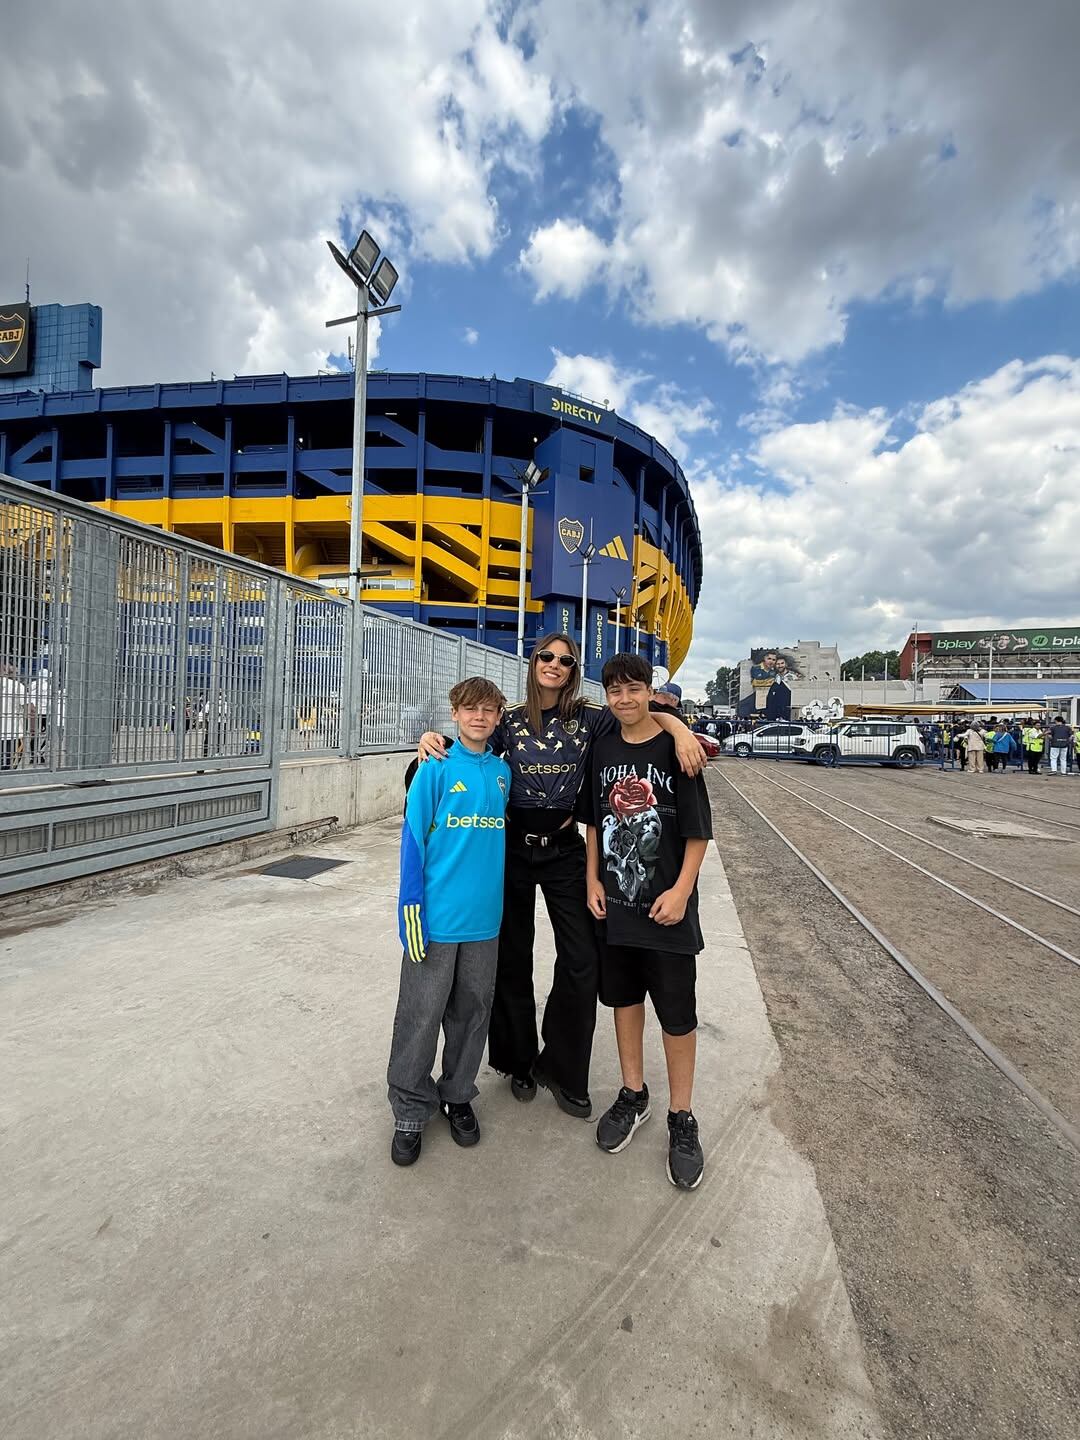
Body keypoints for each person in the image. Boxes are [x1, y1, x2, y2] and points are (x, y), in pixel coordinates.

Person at [415, 633, 704, 1119]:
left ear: (573, 670)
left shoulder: (591, 718)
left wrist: (678, 728)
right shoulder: (507, 721)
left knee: (581, 960)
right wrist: (431, 739)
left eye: (565, 660)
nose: (555, 664)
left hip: (566, 850)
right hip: (512, 849)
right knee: (512, 956)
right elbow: (472, 743)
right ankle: (519, 1062)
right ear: (534, 662)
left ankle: (564, 1068)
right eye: (546, 656)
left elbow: (640, 713)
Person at [580, 653, 712, 1190]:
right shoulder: (603, 748)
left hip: (668, 911)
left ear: (649, 691)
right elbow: (593, 823)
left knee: (677, 1015)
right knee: (624, 1002)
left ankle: (682, 1116)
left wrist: (682, 891)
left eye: (634, 688)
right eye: (615, 690)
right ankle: (634, 1093)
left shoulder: (676, 750)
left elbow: (698, 832)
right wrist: (592, 879)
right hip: (617, 909)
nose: (624, 698)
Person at [387, 676, 512, 1167]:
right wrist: (410, 908)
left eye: (488, 710)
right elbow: (414, 839)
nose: (479, 717)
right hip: (435, 922)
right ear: (454, 714)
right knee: (419, 1017)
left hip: (485, 923)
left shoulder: (503, 774)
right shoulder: (433, 767)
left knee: (471, 1015)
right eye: (469, 709)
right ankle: (410, 1111)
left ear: (498, 718)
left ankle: (457, 1094)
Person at [1, 665, 31, 771]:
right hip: (12, 734)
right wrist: (32, 728)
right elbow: (30, 709)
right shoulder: (16, 686)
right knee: (8, 769)